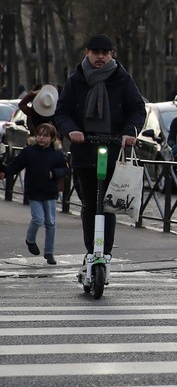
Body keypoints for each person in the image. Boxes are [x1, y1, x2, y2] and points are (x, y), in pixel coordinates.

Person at [54, 34, 146, 266]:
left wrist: (130, 132)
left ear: (112, 54)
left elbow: (137, 109)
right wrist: (72, 131)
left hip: (113, 149)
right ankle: (90, 251)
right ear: (87, 53)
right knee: (88, 202)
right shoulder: (76, 79)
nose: (101, 58)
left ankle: (104, 253)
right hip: (85, 150)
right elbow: (62, 112)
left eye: (105, 53)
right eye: (96, 53)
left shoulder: (123, 79)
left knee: (108, 203)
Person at [0, 123, 68, 265]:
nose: (41, 138)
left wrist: (54, 173)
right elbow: (15, 166)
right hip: (34, 192)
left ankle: (49, 252)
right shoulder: (29, 152)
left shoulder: (57, 154)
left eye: (45, 136)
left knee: (50, 222)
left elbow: (65, 169)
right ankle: (30, 240)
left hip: (50, 192)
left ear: (52, 138)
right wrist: (4, 172)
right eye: (39, 135)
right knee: (38, 219)